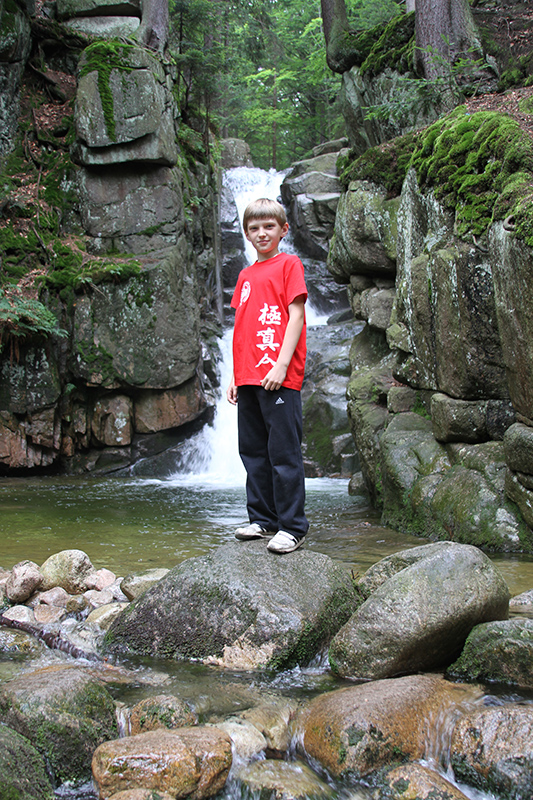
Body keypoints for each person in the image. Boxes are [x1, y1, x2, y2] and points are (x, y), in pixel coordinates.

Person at [226, 197, 309, 554]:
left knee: (283, 453)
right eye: (255, 228)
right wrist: (235, 375)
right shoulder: (245, 276)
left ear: (283, 230)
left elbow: (296, 315)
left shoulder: (289, 264)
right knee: (253, 451)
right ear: (246, 233)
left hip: (279, 376)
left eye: (269, 226)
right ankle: (262, 520)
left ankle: (292, 527)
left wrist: (280, 364)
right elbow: (242, 326)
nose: (262, 233)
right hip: (248, 377)